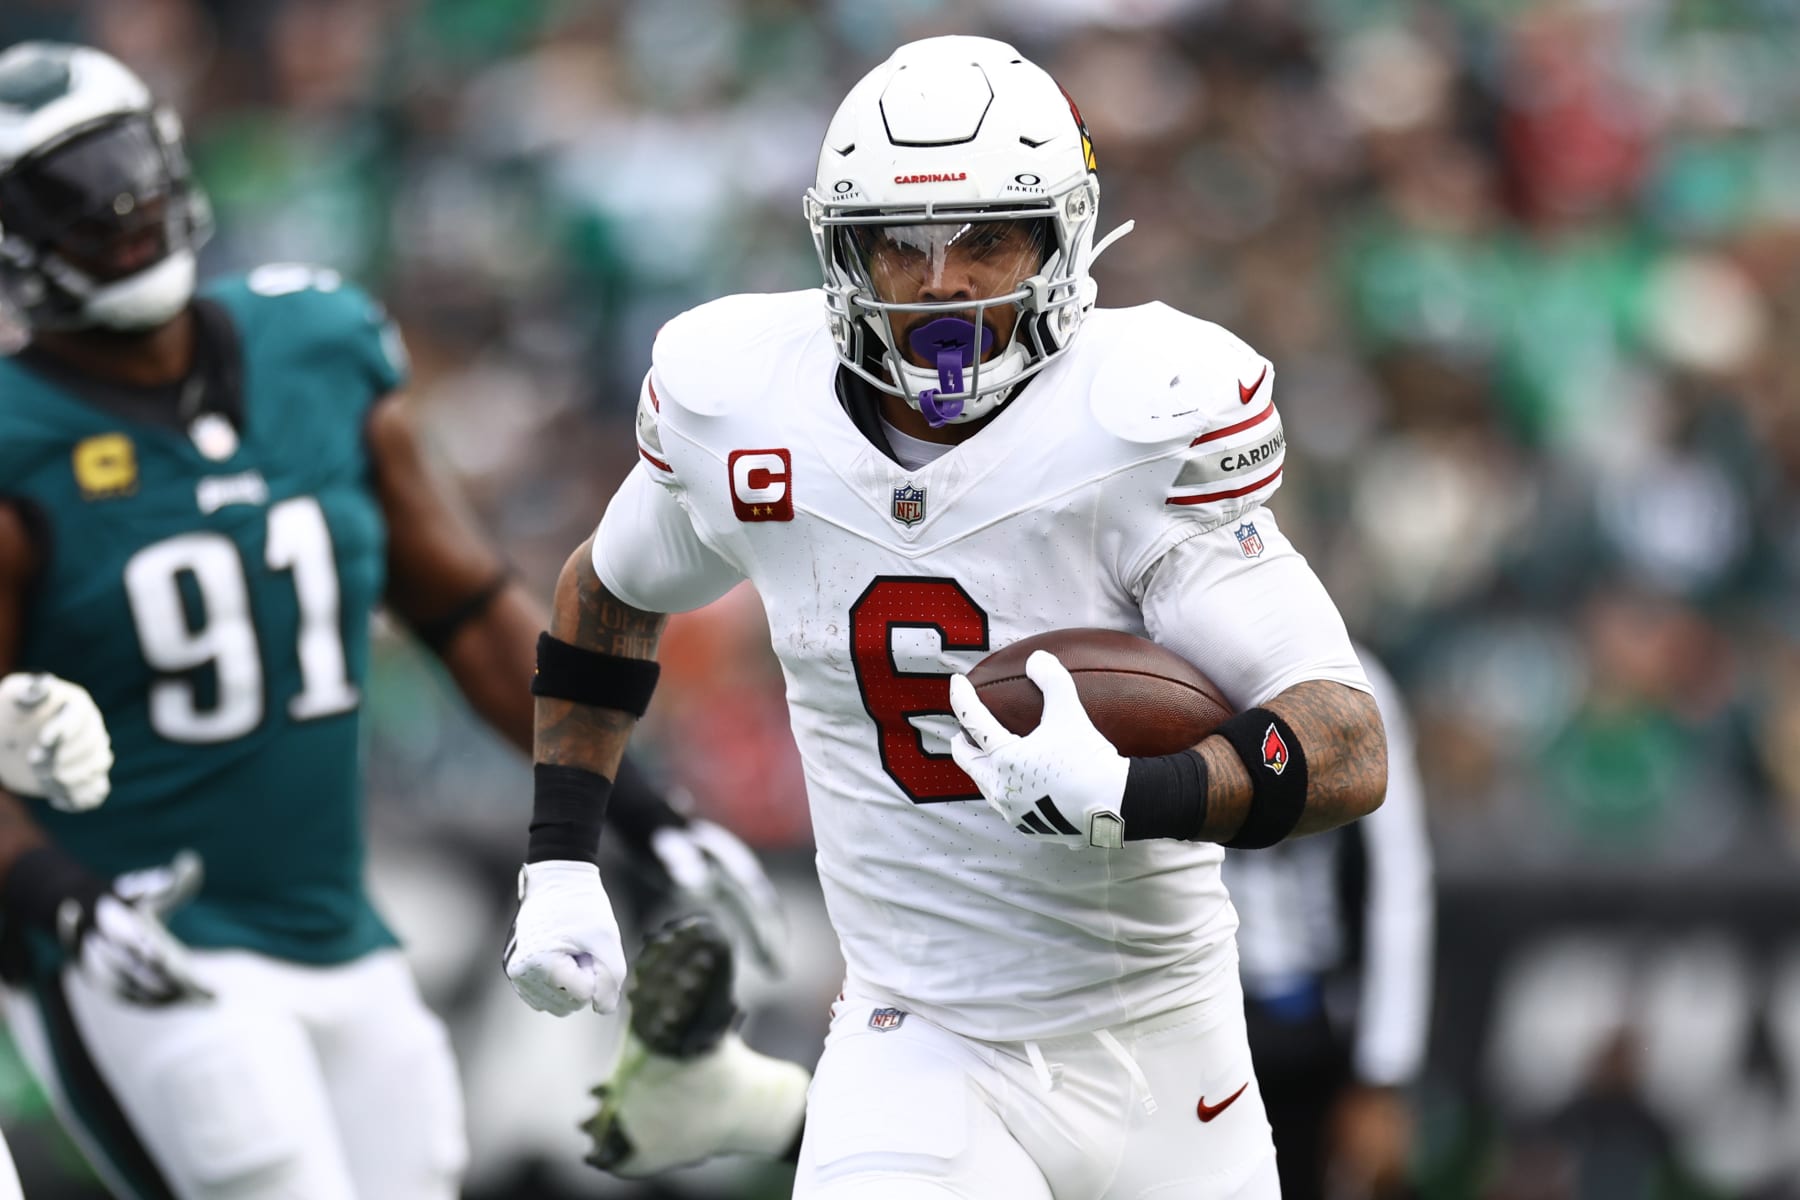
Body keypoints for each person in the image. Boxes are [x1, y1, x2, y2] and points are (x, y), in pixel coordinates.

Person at [505, 34, 1388, 1199]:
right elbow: (607, 590)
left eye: (985, 236)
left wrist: (1135, 794)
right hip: (915, 1027)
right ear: (840, 250)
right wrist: (560, 864)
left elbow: (1342, 740)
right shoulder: (745, 406)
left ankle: (743, 1104)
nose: (941, 282)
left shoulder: (1136, 424)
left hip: (1162, 1036)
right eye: (900, 245)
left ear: (1061, 235)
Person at [0, 41, 782, 1200]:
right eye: (71, 195)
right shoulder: (18, 440)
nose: (119, 209)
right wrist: (51, 895)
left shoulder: (314, 343)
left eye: (125, 168)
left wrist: (631, 801)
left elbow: (462, 603)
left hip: (338, 929)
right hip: (147, 941)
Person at [1225, 649, 1434, 1200]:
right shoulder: (1151, 662)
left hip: (1316, 1023)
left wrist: (1381, 1076)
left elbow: (1397, 885)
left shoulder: (1346, 673)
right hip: (1190, 1014)